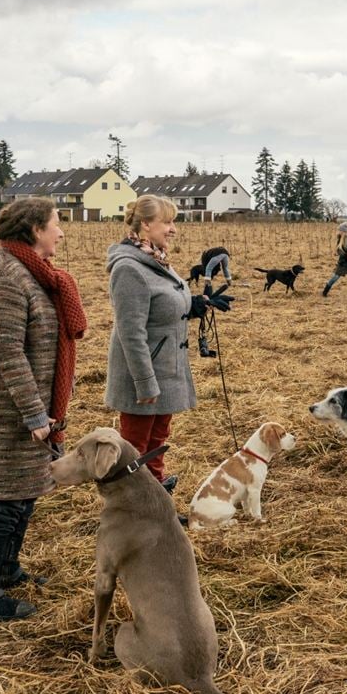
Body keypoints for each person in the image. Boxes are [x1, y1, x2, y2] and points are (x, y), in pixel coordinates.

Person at [0, 197, 87, 621]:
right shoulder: (8, 278)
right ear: (34, 230)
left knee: (25, 492)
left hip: (27, 409)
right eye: (56, 224)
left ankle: (7, 569)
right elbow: (6, 350)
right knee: (3, 499)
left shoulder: (32, 273)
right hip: (4, 413)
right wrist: (33, 414)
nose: (61, 232)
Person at [105, 194, 232, 494]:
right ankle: (133, 514)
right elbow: (130, 331)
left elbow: (165, 304)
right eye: (168, 222)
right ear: (146, 225)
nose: (174, 229)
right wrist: (145, 382)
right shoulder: (129, 268)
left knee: (157, 441)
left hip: (166, 369)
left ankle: (156, 499)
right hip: (145, 373)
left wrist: (196, 305)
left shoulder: (156, 259)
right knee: (135, 451)